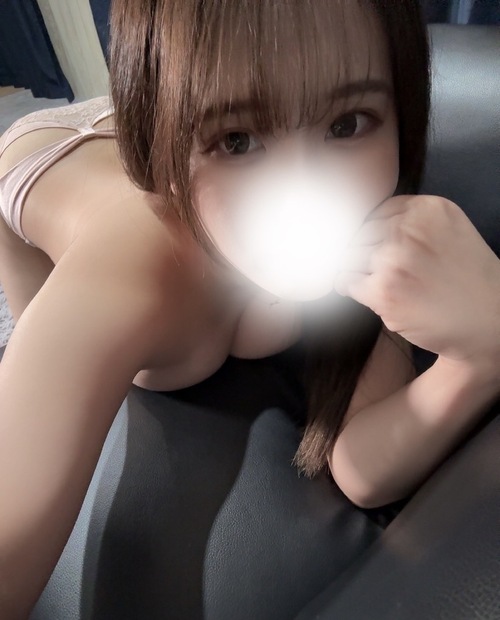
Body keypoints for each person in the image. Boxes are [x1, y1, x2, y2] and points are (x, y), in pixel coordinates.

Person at [1, 0, 499, 616]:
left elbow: (360, 470)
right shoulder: (133, 275)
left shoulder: (374, 225)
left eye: (347, 123)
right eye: (238, 142)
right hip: (46, 153)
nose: (309, 191)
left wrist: (482, 354)